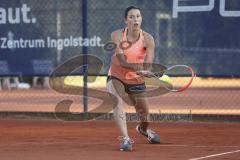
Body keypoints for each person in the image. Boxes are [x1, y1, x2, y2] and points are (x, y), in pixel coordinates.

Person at [107, 6, 160, 151]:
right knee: (116, 101)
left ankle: (143, 130)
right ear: (126, 20)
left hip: (136, 80)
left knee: (145, 116)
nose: (135, 19)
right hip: (116, 75)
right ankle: (125, 139)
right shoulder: (117, 35)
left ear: (141, 19)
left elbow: (148, 63)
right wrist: (139, 68)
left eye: (138, 16)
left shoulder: (148, 39)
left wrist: (146, 70)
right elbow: (122, 61)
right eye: (131, 17)